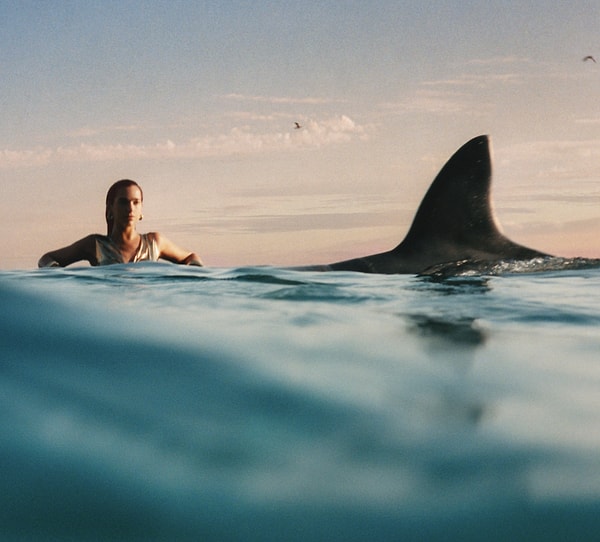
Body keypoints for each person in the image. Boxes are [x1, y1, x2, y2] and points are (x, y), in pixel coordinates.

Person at [38, 179, 203, 268]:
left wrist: (190, 276)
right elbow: (47, 258)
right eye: (123, 202)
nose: (130, 208)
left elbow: (190, 257)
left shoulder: (155, 242)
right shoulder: (94, 244)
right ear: (110, 209)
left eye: (136, 202)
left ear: (141, 210)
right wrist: (57, 277)